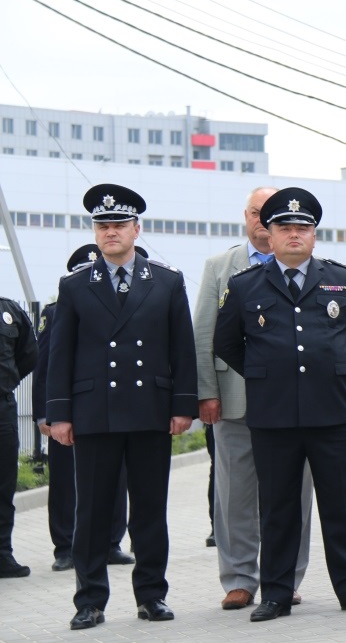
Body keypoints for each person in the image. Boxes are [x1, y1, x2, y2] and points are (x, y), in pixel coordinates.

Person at [215, 187, 346, 621]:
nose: (293, 235)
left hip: (330, 412)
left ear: (313, 235)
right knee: (278, 507)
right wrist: (265, 372)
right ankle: (275, 593)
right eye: (284, 228)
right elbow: (228, 343)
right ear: (268, 235)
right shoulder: (245, 284)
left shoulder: (341, 279)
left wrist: (338, 366)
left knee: (340, 504)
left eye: (302, 228)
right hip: (273, 415)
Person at [46, 184, 198, 630]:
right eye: (102, 225)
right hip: (95, 413)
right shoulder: (75, 285)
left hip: (149, 410)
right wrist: (60, 413)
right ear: (95, 232)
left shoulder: (166, 280)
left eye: (118, 225)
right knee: (91, 512)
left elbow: (181, 349)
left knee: (149, 509)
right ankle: (89, 601)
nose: (110, 232)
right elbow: (61, 354)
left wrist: (182, 405)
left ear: (137, 228)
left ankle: (152, 595)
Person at [193, 187, 313, 610]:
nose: (264, 221)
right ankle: (240, 578)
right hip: (235, 400)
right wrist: (206, 392)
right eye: (256, 213)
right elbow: (204, 334)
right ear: (246, 216)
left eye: (272, 213)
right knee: (235, 495)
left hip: (292, 403)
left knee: (294, 494)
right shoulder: (219, 266)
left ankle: (288, 576)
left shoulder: (309, 265)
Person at [33, 245, 141, 573]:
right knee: (66, 480)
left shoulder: (126, 306)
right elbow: (45, 366)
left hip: (112, 409)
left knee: (116, 478)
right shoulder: (55, 311)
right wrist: (45, 414)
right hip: (70, 412)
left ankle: (111, 542)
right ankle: (65, 546)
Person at [0, 294, 38, 579]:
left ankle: (2, 555)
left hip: (2, 407)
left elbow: (29, 354)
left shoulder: (9, 309)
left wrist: (7, 380)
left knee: (3, 486)